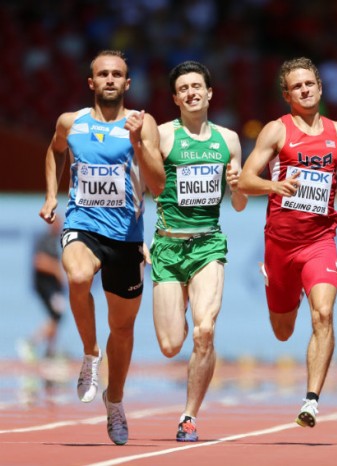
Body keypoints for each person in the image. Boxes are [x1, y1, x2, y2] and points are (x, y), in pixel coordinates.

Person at [238, 57, 337, 428]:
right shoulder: (276, 131)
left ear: (320, 87)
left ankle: (311, 401)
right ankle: (285, 285)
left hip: (320, 241)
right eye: (296, 87)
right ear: (287, 95)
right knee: (283, 332)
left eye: (309, 83)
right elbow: (245, 180)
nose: (305, 90)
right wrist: (274, 185)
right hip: (280, 245)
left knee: (324, 314)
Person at [38, 50, 164, 445]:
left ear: (127, 83)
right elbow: (55, 150)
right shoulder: (71, 122)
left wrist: (138, 142)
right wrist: (51, 194)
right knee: (77, 275)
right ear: (91, 82)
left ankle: (115, 401)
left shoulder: (142, 123)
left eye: (117, 74)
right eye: (103, 74)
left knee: (122, 329)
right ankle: (91, 354)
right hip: (82, 224)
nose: (110, 79)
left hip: (126, 236)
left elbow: (158, 184)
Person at [149, 61, 248, 442]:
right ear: (175, 98)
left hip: (208, 244)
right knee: (171, 344)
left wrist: (237, 186)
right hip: (168, 246)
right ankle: (180, 311)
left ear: (209, 93)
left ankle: (189, 416)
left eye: (196, 86)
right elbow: (140, 185)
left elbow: (239, 204)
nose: (191, 93)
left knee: (205, 331)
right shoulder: (162, 135)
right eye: (183, 89)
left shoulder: (229, 140)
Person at [19, 216, 67, 361]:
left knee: (56, 316)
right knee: (57, 315)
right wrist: (56, 270)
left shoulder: (54, 241)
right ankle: (30, 343)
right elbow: (39, 261)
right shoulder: (45, 239)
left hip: (53, 287)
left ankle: (50, 351)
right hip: (45, 286)